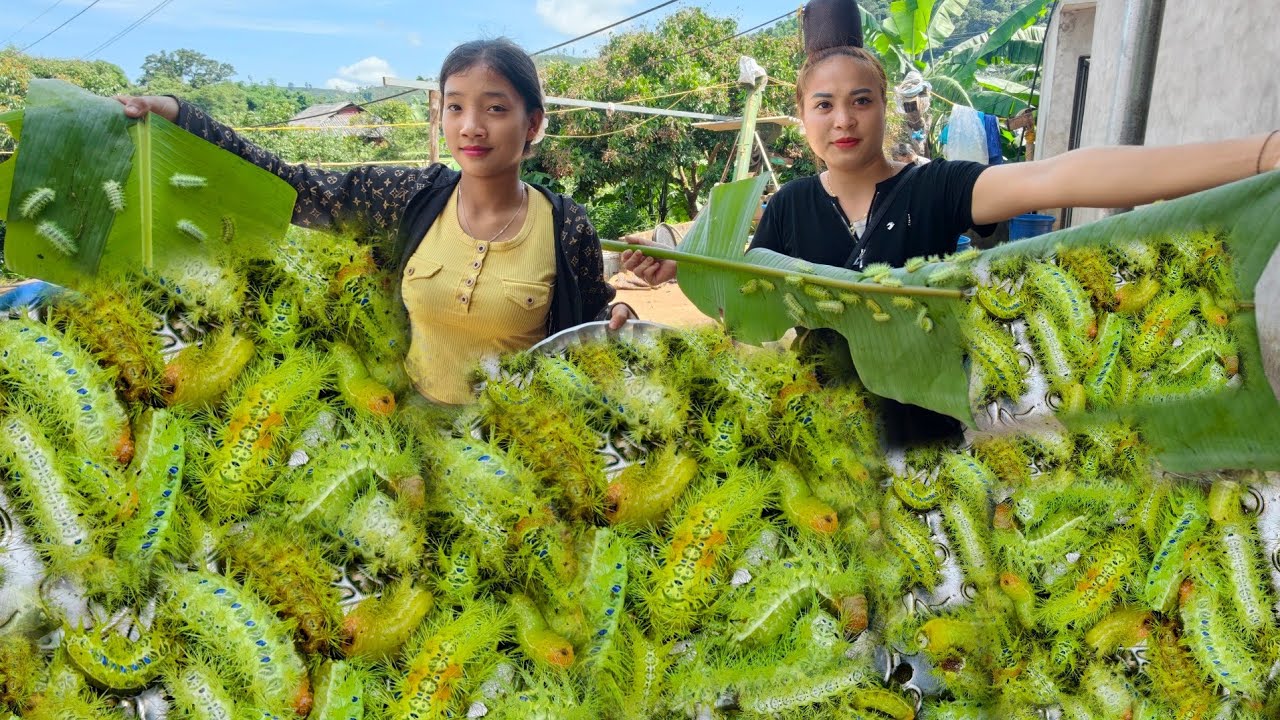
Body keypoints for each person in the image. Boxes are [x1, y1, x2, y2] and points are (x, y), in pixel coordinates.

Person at [622, 0, 1280, 445]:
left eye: (861, 100)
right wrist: (682, 266)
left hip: (929, 427)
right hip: (827, 431)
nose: (844, 120)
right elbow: (750, 302)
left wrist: (1258, 156)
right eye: (824, 105)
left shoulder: (933, 188)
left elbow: (1060, 176)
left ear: (887, 108)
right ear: (801, 116)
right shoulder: (790, 204)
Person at [119, 38, 634, 406]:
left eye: (495, 108)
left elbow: (588, 332)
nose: (471, 126)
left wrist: (621, 322)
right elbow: (292, 185)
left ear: (534, 124)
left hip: (521, 444)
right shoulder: (408, 198)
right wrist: (180, 116)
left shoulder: (567, 227)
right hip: (413, 426)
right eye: (454, 107)